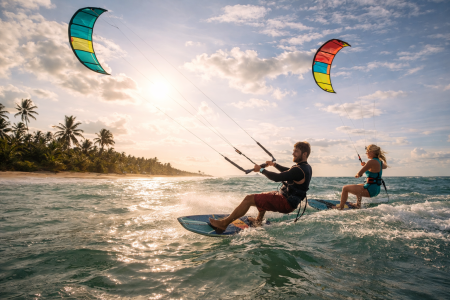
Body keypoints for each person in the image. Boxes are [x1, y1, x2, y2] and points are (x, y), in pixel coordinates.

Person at [209, 141, 312, 233]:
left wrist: (261, 170)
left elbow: (277, 177)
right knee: (263, 196)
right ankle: (258, 221)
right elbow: (289, 171)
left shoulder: (298, 170)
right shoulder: (306, 167)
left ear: (304, 154)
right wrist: (274, 164)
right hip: (288, 201)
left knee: (249, 199)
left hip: (285, 202)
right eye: (293, 151)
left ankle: (224, 224)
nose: (293, 153)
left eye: (296, 151)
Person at [333, 144, 387, 210]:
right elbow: (383, 166)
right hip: (376, 189)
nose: (366, 153)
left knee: (345, 188)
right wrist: (366, 165)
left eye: (367, 152)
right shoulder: (379, 162)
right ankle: (357, 205)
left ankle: (340, 207)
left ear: (372, 152)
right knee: (359, 186)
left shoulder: (371, 162)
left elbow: (359, 174)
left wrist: (358, 173)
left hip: (370, 190)